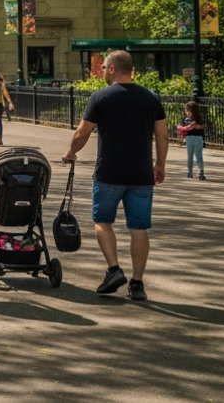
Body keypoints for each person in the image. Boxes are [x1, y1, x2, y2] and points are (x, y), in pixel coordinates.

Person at [62, 50, 168, 302]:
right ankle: (138, 283)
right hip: (141, 173)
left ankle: (114, 269)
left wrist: (70, 152)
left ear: (112, 69)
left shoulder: (100, 98)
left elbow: (82, 132)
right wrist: (160, 164)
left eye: (103, 68)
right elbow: (162, 135)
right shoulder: (150, 98)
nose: (100, 72)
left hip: (109, 172)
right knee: (139, 228)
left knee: (102, 221)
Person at [179, 102, 206, 180]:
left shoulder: (199, 119)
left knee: (198, 155)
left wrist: (203, 140)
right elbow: (181, 127)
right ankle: (190, 171)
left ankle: (201, 171)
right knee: (190, 155)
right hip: (189, 138)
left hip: (197, 138)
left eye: (188, 110)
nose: (187, 112)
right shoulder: (185, 119)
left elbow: (202, 130)